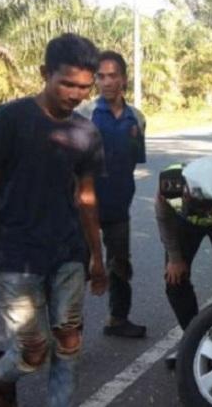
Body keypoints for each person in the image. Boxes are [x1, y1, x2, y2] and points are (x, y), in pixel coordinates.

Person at [0, 33, 106, 407]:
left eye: (84, 87)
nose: (76, 94)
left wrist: (98, 257)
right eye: (67, 83)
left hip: (68, 252)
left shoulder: (87, 132)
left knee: (70, 341)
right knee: (32, 352)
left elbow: (87, 198)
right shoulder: (8, 119)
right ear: (45, 73)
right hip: (16, 254)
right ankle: (0, 377)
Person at [77, 51, 147, 338]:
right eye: (101, 76)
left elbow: (133, 161)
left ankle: (118, 319)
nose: (106, 82)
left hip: (119, 206)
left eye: (112, 75)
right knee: (78, 269)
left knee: (120, 265)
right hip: (84, 208)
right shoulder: (84, 115)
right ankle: (70, 328)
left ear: (123, 79)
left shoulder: (137, 118)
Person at [155, 156, 212, 331]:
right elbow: (163, 219)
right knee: (175, 280)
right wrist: (174, 258)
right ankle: (192, 333)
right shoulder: (169, 182)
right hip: (184, 222)